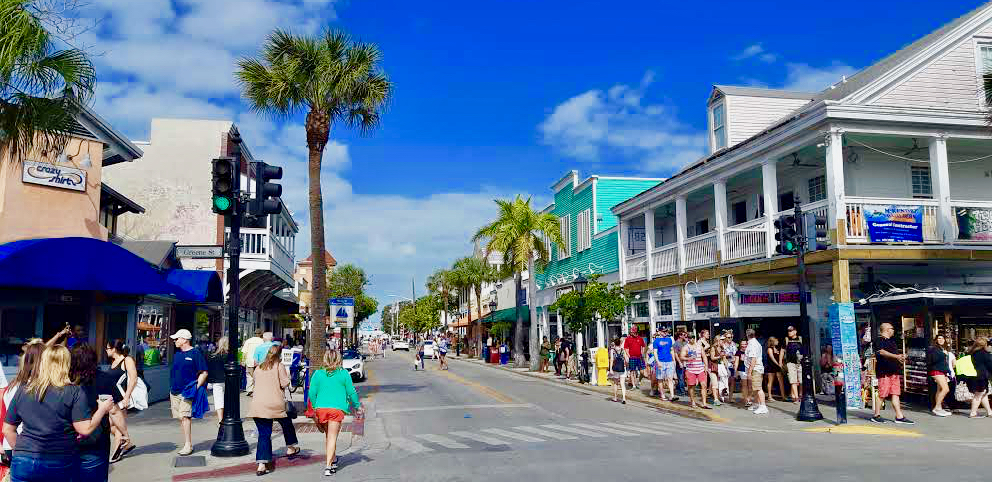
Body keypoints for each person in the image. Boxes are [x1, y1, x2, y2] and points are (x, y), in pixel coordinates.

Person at [3, 345, 114, 481]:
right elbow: (85, 429)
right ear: (66, 364)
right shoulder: (73, 391)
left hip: (23, 461)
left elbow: (7, 429)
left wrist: (22, 450)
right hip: (58, 460)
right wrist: (102, 409)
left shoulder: (24, 389)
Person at [248, 345, 300, 476]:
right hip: (275, 405)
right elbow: (284, 383)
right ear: (279, 355)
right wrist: (288, 376)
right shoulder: (279, 366)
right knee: (287, 423)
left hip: (258, 405)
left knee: (264, 434)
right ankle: (290, 447)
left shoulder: (259, 367)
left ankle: (261, 465)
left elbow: (255, 381)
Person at [309, 350, 363, 476]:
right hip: (336, 409)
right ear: (338, 359)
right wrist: (357, 406)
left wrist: (316, 407)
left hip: (321, 408)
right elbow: (352, 392)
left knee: (328, 436)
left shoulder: (318, 373)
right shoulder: (343, 373)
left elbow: (312, 393)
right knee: (332, 437)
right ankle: (329, 466)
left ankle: (332, 459)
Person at [70, 344, 114, 482]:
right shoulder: (103, 378)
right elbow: (115, 410)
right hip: (95, 439)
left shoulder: (65, 381)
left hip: (68, 442)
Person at [169, 329, 208, 455]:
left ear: (185, 340)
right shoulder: (177, 354)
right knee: (181, 417)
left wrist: (195, 387)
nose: (175, 341)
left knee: (186, 417)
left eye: (177, 338)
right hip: (175, 391)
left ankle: (188, 444)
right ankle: (187, 443)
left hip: (187, 391)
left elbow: (204, 372)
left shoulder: (195, 353)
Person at [103, 339, 139, 463]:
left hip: (122, 398)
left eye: (107, 348)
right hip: (112, 399)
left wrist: (127, 397)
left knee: (118, 426)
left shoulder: (127, 360)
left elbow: (134, 379)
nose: (106, 350)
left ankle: (116, 453)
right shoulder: (113, 362)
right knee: (107, 425)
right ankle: (126, 442)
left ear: (114, 349)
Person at [871, 323, 913, 424]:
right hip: (884, 372)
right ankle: (876, 415)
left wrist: (901, 358)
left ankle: (899, 416)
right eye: (892, 328)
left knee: (895, 393)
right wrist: (896, 356)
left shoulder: (892, 342)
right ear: (886, 330)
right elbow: (881, 352)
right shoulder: (879, 340)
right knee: (882, 394)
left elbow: (894, 356)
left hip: (894, 372)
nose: (893, 330)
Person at [963, 337, 992, 418]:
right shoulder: (985, 353)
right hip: (981, 377)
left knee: (984, 394)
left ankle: (989, 412)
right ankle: (973, 413)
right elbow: (990, 366)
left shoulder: (971, 353)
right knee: (979, 394)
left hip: (972, 376)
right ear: (985, 344)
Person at [681, 333, 710, 409]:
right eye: (690, 338)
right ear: (687, 338)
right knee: (691, 386)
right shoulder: (686, 347)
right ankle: (693, 402)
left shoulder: (699, 346)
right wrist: (688, 358)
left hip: (700, 368)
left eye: (693, 337)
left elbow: (704, 356)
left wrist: (706, 366)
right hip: (690, 369)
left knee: (704, 385)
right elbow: (682, 357)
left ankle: (704, 403)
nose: (692, 339)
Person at [926, 334, 953, 417]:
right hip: (936, 371)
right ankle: (936, 407)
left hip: (942, 371)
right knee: (946, 389)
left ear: (944, 340)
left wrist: (948, 371)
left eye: (942, 338)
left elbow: (945, 363)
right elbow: (933, 360)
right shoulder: (933, 349)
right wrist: (944, 354)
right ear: (936, 340)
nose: (940, 340)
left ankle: (939, 408)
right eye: (939, 338)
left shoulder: (943, 349)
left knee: (939, 389)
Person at [745, 329, 768, 414]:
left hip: (755, 369)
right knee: (755, 387)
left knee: (758, 388)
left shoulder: (753, 344)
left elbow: (753, 359)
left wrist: (749, 372)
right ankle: (757, 404)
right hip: (756, 368)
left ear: (747, 335)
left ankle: (763, 406)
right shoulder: (755, 343)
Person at [651, 328, 677, 401]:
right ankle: (662, 395)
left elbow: (671, 350)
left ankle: (672, 395)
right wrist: (658, 362)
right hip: (661, 362)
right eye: (663, 331)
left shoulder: (669, 339)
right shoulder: (656, 341)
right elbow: (655, 352)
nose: (665, 332)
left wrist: (674, 360)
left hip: (669, 361)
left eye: (666, 331)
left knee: (670, 378)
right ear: (660, 332)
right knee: (660, 379)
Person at [207, 337, 229, 423]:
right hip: (227, 380)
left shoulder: (213, 355)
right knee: (228, 399)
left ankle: (220, 418)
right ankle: (227, 416)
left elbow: (210, 369)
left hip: (216, 381)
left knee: (218, 399)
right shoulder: (229, 355)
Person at [241, 329, 264, 396]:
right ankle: (256, 390)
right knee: (258, 375)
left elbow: (244, 352)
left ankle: (249, 390)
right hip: (259, 361)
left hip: (249, 361)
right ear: (260, 334)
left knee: (249, 376)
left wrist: (242, 360)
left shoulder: (248, 340)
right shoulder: (262, 341)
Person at [785, 327, 804, 404]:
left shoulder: (800, 339)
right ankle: (796, 397)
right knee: (793, 380)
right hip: (791, 363)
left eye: (791, 331)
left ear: (795, 331)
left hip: (800, 362)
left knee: (801, 380)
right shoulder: (786, 340)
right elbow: (783, 351)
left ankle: (801, 395)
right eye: (788, 331)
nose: (789, 332)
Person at [765, 337, 786, 402]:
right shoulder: (769, 349)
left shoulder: (777, 348)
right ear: (772, 341)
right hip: (771, 366)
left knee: (781, 381)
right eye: (776, 341)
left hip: (778, 366)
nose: (778, 342)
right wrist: (778, 364)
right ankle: (770, 396)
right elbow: (772, 358)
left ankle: (783, 396)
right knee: (770, 381)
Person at [608, 338, 628, 404]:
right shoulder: (623, 350)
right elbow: (626, 359)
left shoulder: (612, 350)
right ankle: (624, 398)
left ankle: (615, 397)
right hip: (622, 368)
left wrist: (610, 369)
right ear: (620, 343)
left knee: (616, 383)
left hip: (615, 369)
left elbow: (611, 360)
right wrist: (626, 365)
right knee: (622, 384)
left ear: (614, 343)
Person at [734, 339, 749, 406]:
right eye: (742, 344)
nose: (743, 345)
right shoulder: (738, 352)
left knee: (751, 385)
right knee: (745, 385)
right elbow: (736, 362)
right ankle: (746, 400)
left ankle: (749, 399)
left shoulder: (749, 351)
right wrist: (735, 371)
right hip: (742, 370)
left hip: (749, 369)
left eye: (745, 344)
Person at [673, 331, 688, 397]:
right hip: (680, 362)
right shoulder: (676, 344)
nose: (685, 336)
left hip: (685, 361)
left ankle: (678, 388)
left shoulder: (685, 342)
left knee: (684, 376)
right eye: (684, 335)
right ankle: (682, 391)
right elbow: (675, 354)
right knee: (681, 377)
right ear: (680, 336)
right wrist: (679, 362)